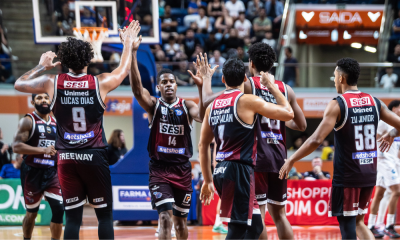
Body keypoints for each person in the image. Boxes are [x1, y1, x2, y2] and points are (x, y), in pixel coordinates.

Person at [14, 20, 142, 240]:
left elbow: (19, 83)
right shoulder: (100, 82)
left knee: (72, 218)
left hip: (66, 158)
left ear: (64, 60)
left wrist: (42, 65)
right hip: (94, 156)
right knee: (104, 216)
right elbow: (123, 70)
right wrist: (128, 45)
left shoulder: (51, 83)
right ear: (89, 59)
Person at [279, 58, 400, 240]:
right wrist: (392, 133)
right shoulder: (375, 102)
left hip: (348, 176)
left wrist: (292, 159)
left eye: (335, 76)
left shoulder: (338, 104)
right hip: (369, 174)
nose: (334, 80)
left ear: (342, 78)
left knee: (347, 225)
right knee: (359, 222)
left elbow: (316, 139)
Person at [201, 42, 306, 240]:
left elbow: (209, 102)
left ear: (251, 64)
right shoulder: (286, 89)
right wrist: (279, 121)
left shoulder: (247, 85)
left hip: (256, 159)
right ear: (273, 64)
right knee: (280, 215)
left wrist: (205, 80)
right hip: (279, 158)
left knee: (259, 216)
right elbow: (300, 125)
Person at [129, 40, 208, 240]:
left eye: (171, 81)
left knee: (181, 223)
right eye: (164, 82)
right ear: (159, 87)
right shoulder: (153, 105)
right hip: (159, 169)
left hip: (182, 169)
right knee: (164, 218)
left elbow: (203, 115)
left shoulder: (186, 105)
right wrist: (132, 55)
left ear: (176, 84)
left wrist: (201, 87)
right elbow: (138, 90)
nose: (168, 85)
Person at [12, 93, 64, 240]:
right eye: (39, 98)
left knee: (59, 209)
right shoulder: (28, 121)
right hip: (32, 172)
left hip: (52, 172)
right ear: (33, 101)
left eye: (46, 98)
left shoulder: (56, 122)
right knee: (31, 214)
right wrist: (43, 150)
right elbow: (16, 146)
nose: (44, 100)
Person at [368, 100, 400, 238]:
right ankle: (389, 225)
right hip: (384, 161)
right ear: (394, 108)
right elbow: (372, 136)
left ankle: (371, 225)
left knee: (379, 193)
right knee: (397, 191)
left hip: (391, 161)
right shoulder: (384, 121)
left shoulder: (397, 123)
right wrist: (377, 154)